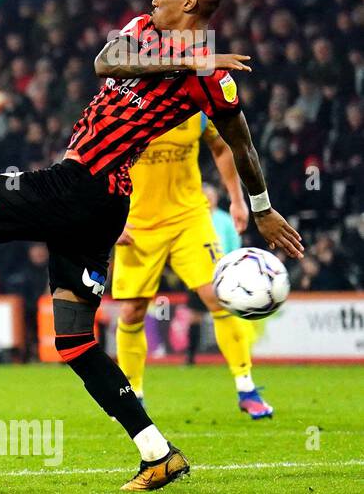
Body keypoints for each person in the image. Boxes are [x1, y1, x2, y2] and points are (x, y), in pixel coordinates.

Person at [0, 0, 303, 490]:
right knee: (75, 341)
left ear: (191, 3)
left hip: (82, 185)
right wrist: (194, 57)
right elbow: (106, 62)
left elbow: (239, 142)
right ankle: (158, 453)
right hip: (103, 203)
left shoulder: (214, 83)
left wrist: (262, 207)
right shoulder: (142, 33)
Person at [113, 115, 273, 418]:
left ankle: (247, 388)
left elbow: (223, 147)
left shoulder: (195, 106)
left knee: (219, 295)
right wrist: (110, 216)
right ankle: (132, 395)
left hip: (189, 217)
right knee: (132, 310)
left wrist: (236, 200)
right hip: (137, 223)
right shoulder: (123, 107)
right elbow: (95, 163)